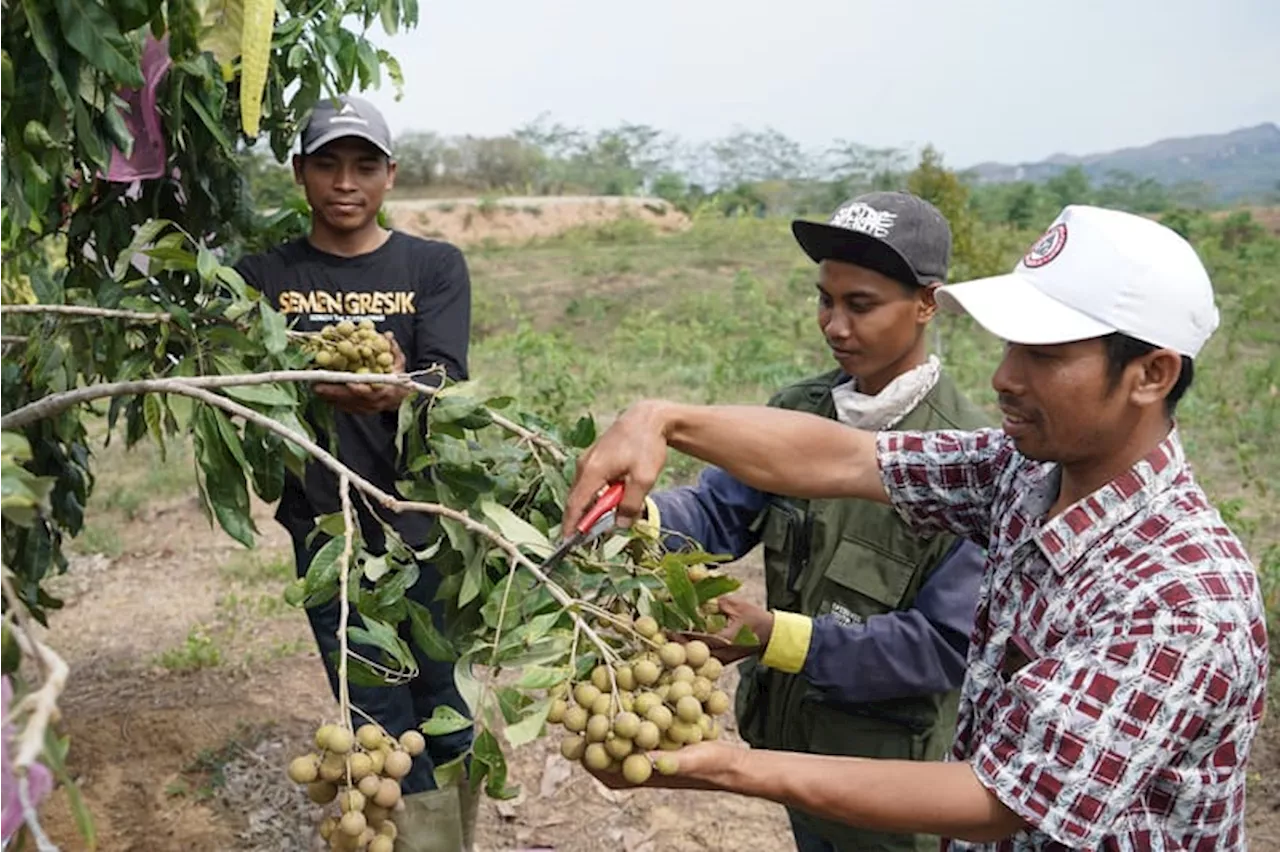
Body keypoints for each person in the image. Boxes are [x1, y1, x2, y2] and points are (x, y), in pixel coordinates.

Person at [565, 204, 1269, 851]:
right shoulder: (1022, 474)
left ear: (1151, 374)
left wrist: (731, 770)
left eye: (1044, 356)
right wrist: (661, 419)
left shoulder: (1182, 601)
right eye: (1008, 347)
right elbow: (847, 456)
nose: (1003, 377)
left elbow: (1000, 797)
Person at [638, 191, 989, 852]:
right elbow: (720, 510)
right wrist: (639, 519)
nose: (834, 325)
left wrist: (772, 636)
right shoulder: (797, 410)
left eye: (861, 305)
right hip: (795, 742)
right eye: (826, 300)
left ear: (925, 304)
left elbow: (942, 645)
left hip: (893, 774)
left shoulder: (970, 458)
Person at [233, 95, 476, 852]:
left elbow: (447, 378)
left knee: (446, 700)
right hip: (326, 527)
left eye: (364, 165)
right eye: (328, 164)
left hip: (422, 524)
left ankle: (446, 838)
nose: (347, 182)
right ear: (300, 173)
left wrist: (402, 386)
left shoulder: (433, 265)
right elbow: (237, 380)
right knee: (375, 704)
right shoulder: (263, 273)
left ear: (390, 175)